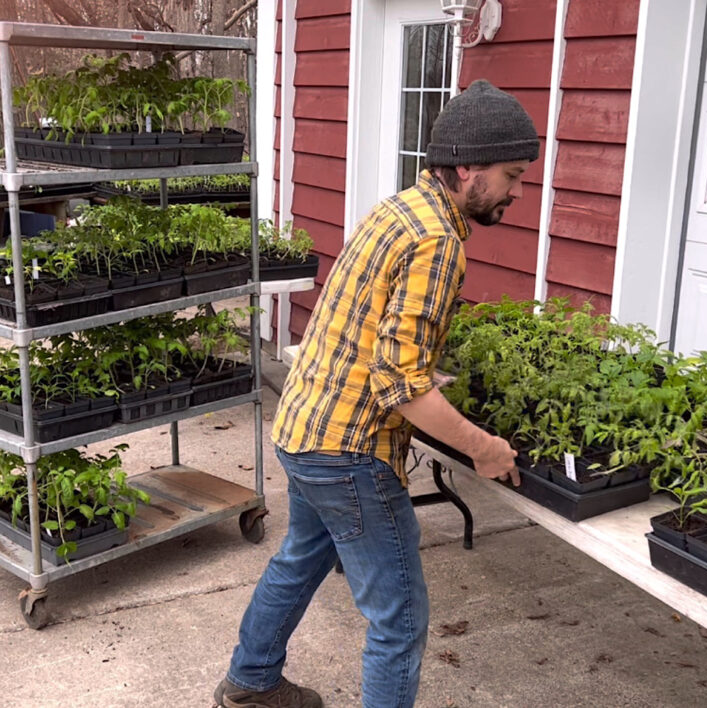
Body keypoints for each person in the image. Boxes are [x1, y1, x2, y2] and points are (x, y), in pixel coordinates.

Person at [214, 79, 540, 708]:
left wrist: (421, 378)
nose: (518, 192)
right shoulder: (439, 242)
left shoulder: (397, 210)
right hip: (349, 452)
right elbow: (402, 387)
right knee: (399, 619)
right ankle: (250, 684)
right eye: (511, 174)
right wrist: (484, 449)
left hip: (305, 427)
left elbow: (373, 332)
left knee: (299, 560)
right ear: (467, 167)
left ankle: (250, 684)